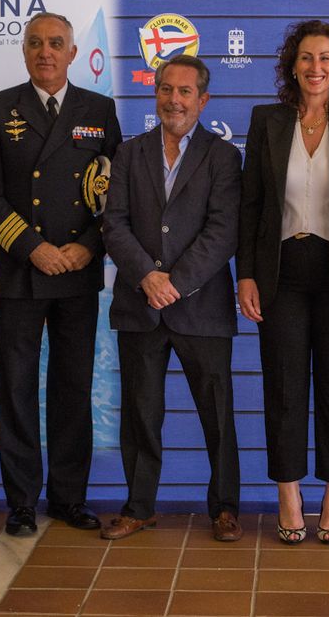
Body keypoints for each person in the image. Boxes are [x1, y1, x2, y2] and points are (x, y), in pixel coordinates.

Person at [0, 12, 121, 536]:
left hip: (78, 274)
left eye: (56, 43)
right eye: (35, 43)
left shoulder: (99, 110)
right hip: (20, 271)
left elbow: (114, 194)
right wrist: (33, 248)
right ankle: (19, 501)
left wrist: (87, 249)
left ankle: (68, 497)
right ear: (24, 51)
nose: (45, 52)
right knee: (14, 389)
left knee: (72, 388)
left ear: (73, 53)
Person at [236, 20, 329, 544]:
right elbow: (251, 203)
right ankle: (289, 492)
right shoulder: (267, 120)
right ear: (291, 66)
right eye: (305, 58)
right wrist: (246, 273)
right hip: (280, 272)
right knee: (283, 387)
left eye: (324, 58)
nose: (315, 67)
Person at [99, 55, 243, 542]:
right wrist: (147, 277)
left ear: (202, 100)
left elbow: (223, 232)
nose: (173, 100)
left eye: (184, 92)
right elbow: (113, 223)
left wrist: (175, 282)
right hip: (140, 306)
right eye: (166, 90)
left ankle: (224, 508)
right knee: (141, 415)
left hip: (201, 307)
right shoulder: (129, 153)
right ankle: (139, 507)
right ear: (154, 94)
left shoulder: (223, 157)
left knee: (218, 416)